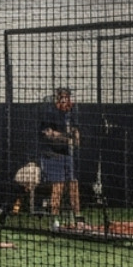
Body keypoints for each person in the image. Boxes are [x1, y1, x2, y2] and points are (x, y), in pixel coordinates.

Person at [39, 88, 86, 229]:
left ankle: (78, 219)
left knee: (73, 184)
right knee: (58, 186)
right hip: (52, 155)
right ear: (56, 99)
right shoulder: (50, 113)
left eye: (67, 97)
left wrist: (75, 136)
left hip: (67, 155)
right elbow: (49, 135)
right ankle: (54, 220)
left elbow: (76, 135)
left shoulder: (71, 114)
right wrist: (67, 137)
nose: (64, 100)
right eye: (61, 97)